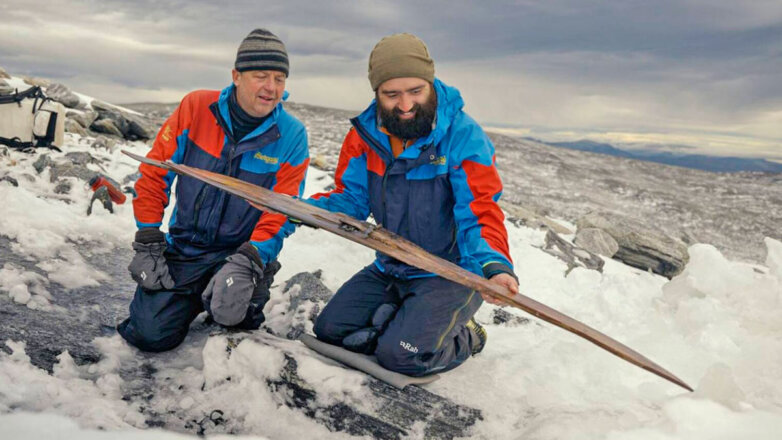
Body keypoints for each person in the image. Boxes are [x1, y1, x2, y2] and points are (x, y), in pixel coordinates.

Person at [308, 33, 518, 376]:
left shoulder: (463, 137)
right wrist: (306, 209)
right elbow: (352, 199)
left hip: (452, 275)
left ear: (431, 85)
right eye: (392, 95)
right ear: (376, 94)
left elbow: (480, 209)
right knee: (330, 331)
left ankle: (467, 337)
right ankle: (403, 318)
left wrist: (493, 265)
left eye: (415, 91)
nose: (405, 105)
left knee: (401, 358)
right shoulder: (364, 138)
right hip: (392, 266)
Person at [117, 29, 309, 352]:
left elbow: (283, 211)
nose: (271, 88)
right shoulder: (196, 108)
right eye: (261, 76)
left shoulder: (291, 135)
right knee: (149, 334)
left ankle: (245, 288)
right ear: (236, 76)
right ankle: (193, 296)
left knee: (232, 318)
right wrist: (148, 239)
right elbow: (154, 173)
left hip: (239, 254)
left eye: (279, 79)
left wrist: (252, 257)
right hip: (185, 249)